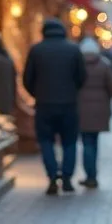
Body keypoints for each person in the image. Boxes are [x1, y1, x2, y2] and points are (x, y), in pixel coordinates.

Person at [23, 17, 87, 195]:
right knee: (69, 142)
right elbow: (82, 77)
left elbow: (27, 79)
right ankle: (67, 178)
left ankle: (52, 176)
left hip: (44, 104)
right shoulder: (73, 49)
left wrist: (38, 94)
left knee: (46, 141)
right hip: (68, 104)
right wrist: (72, 91)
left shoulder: (36, 50)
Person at [76, 37, 112, 188]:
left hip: (81, 108)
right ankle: (92, 175)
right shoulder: (104, 65)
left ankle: (90, 175)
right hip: (100, 110)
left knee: (86, 142)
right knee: (94, 142)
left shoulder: (78, 66)